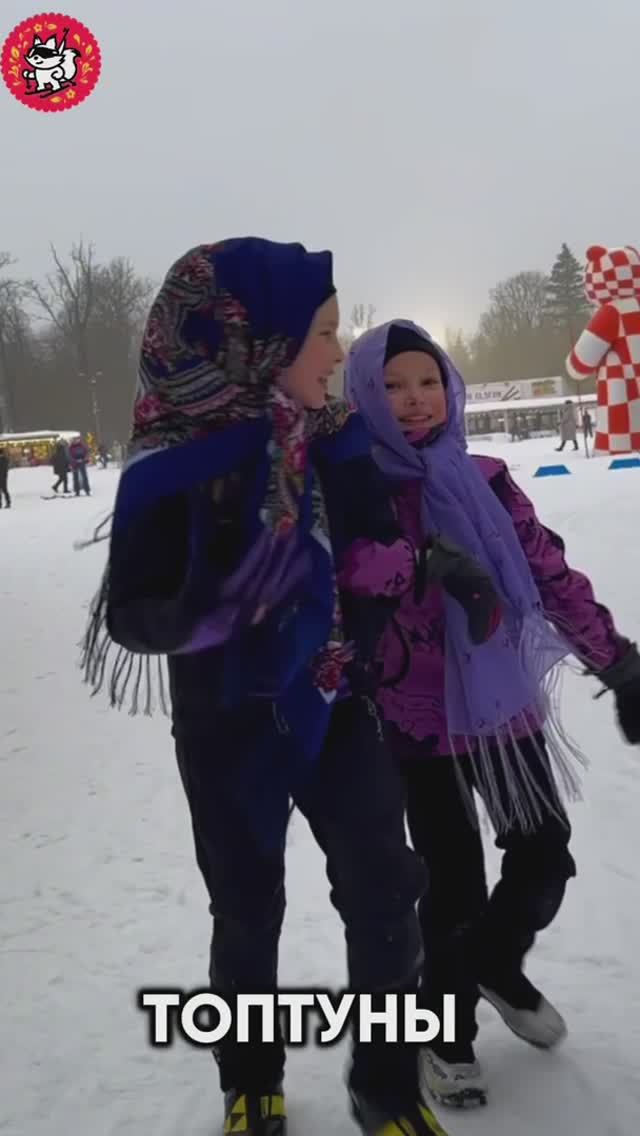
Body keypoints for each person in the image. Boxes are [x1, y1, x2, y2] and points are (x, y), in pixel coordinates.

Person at [79, 241, 463, 1136]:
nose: (339, 352)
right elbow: (132, 614)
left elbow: (377, 542)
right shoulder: (172, 455)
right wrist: (213, 608)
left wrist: (385, 567)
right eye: (321, 332)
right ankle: (250, 1082)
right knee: (247, 910)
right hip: (227, 719)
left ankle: (385, 1084)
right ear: (256, 340)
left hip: (338, 700)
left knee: (385, 890)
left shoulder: (337, 433)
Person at [341, 319, 640, 1109]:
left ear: (451, 388)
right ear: (365, 395)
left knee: (544, 855)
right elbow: (343, 579)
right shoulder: (354, 487)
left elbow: (549, 575)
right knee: (453, 886)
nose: (414, 400)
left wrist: (616, 660)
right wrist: (416, 563)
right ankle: (447, 1035)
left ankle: (493, 965)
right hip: (414, 718)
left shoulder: (489, 480)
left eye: (428, 382)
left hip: (501, 708)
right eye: (393, 386)